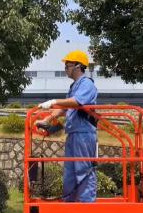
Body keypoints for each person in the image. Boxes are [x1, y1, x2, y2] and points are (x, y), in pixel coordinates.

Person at [37, 50, 98, 202]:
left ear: (78, 66)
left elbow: (77, 102)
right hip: (73, 133)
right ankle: (68, 205)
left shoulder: (87, 84)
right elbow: (65, 108)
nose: (65, 69)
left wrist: (53, 101)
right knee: (70, 171)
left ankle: (87, 208)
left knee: (84, 170)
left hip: (84, 133)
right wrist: (48, 119)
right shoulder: (74, 86)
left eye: (68, 65)